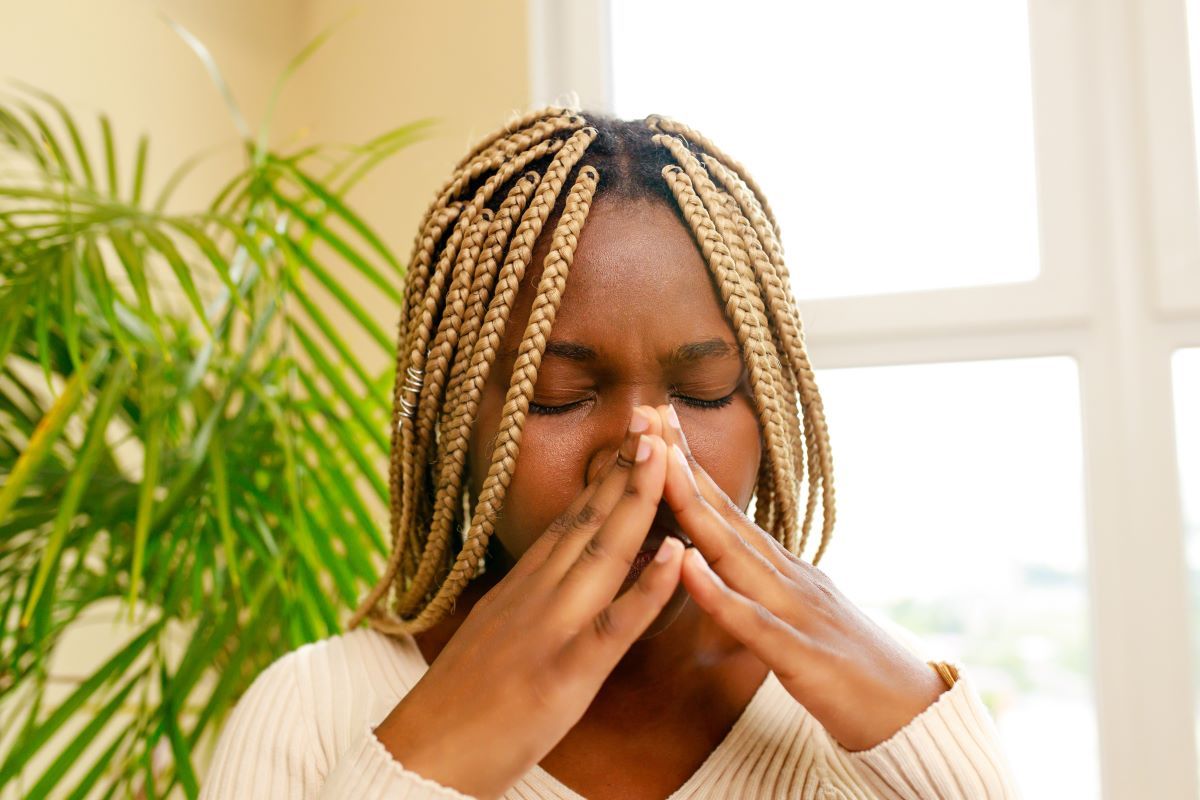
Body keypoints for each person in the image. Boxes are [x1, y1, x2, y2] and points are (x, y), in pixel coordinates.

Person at [199, 108, 1021, 799]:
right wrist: (423, 763)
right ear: (460, 422)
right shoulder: (313, 713)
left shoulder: (861, 730)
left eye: (703, 392)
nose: (645, 454)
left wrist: (927, 739)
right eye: (557, 394)